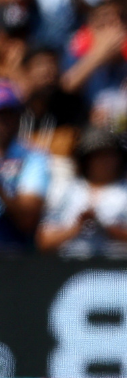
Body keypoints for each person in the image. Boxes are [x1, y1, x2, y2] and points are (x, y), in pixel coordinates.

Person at [37, 126, 127, 257]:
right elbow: (44, 242)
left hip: (116, 271)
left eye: (109, 155)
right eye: (97, 156)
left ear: (119, 158)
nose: (104, 162)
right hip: (69, 268)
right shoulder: (66, 191)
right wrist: (77, 227)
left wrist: (105, 226)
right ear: (86, 159)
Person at [0, 81, 50, 254]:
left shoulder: (33, 157)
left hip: (12, 253)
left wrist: (2, 190)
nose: (3, 122)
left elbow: (27, 221)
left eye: (8, 114)